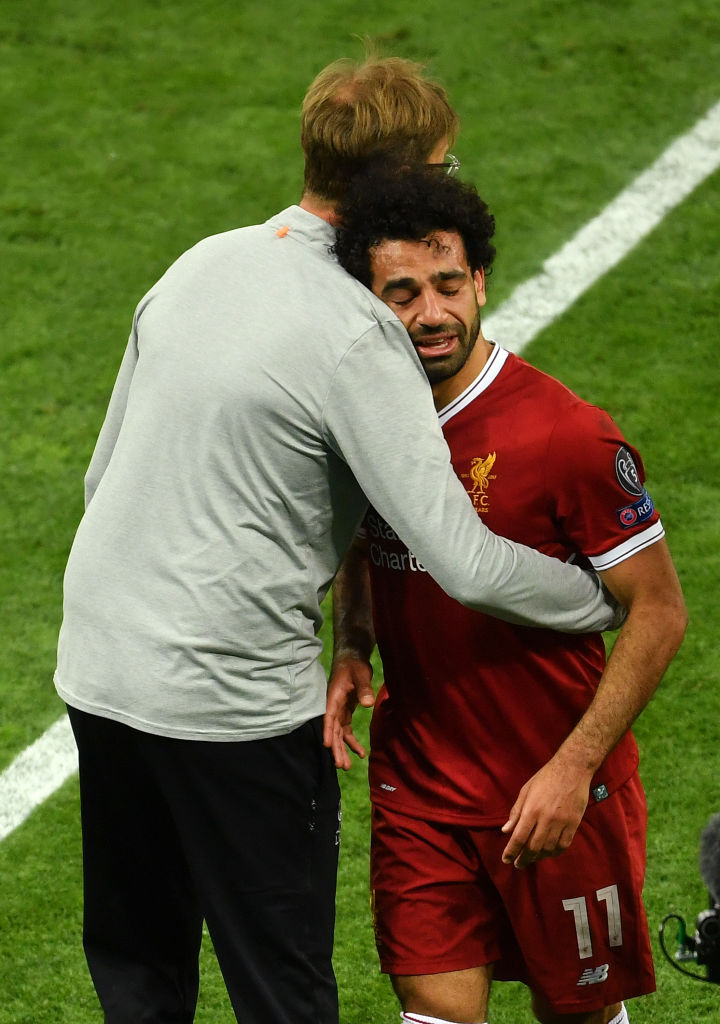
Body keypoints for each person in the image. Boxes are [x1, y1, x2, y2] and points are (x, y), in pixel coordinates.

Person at [55, 58, 624, 1024]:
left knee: (141, 970)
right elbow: (464, 561)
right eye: (442, 169)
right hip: (233, 704)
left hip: (100, 671)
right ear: (401, 183)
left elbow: (97, 479)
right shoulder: (360, 330)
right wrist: (600, 598)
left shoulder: (201, 262)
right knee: (281, 990)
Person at [326, 165, 688, 1024]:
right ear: (369, 302)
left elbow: (659, 610)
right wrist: (352, 642)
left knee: (579, 1013)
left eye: (449, 285)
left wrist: (574, 768)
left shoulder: (567, 435)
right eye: (403, 293)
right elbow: (362, 538)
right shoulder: (369, 423)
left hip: (553, 785)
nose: (432, 313)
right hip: (420, 787)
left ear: (480, 281)